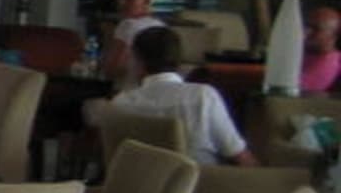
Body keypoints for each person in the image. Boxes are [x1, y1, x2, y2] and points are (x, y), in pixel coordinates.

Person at [109, 25, 257, 167]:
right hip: (203, 181)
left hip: (142, 184)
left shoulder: (120, 104)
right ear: (179, 60)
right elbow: (240, 156)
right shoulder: (203, 96)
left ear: (138, 62)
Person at [99, 0, 164, 86]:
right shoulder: (161, 27)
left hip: (127, 90)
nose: (121, 3)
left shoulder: (127, 26)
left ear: (146, 1)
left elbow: (112, 70)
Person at [301, 6, 341, 94]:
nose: (306, 32)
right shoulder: (306, 51)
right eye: (306, 25)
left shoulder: (330, 63)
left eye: (316, 29)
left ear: (334, 35)